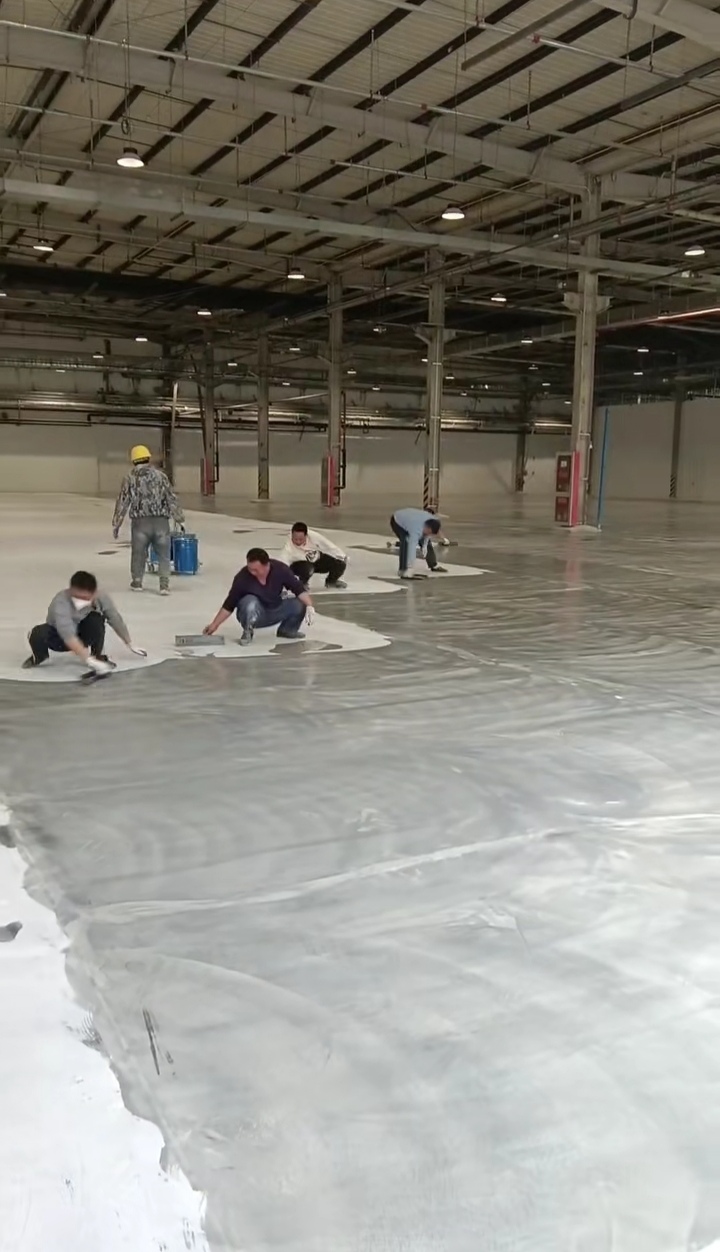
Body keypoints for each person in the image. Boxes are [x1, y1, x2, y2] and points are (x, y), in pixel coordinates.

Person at [22, 570, 146, 673]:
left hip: (83, 634)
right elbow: (67, 633)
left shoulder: (101, 597)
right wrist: (88, 660)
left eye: (85, 597)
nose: (81, 600)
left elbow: (115, 618)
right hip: (60, 639)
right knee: (38, 633)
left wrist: (129, 643)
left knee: (96, 619)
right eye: (77, 597)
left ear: (94, 593)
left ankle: (97, 655)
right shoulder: (61, 602)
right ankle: (39, 657)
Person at [112, 444, 184, 595]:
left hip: (140, 523)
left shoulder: (130, 478)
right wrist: (179, 518)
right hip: (161, 522)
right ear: (148, 458)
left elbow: (123, 501)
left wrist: (117, 523)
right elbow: (171, 498)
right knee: (163, 554)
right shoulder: (161, 476)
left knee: (138, 553)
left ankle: (137, 582)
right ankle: (164, 585)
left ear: (133, 460)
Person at [203, 547, 313, 647]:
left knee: (300, 603)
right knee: (249, 601)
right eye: (250, 568)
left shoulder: (280, 570)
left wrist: (309, 606)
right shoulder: (242, 577)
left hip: (275, 609)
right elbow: (229, 604)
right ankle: (248, 631)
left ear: (267, 565)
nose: (252, 572)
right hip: (253, 614)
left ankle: (287, 630)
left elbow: (298, 589)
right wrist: (214, 625)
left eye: (255, 570)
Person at [280, 522, 348, 589]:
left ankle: (331, 581)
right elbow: (283, 564)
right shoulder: (288, 546)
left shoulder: (313, 536)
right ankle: (302, 583)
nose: (298, 542)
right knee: (308, 568)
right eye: (295, 539)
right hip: (300, 566)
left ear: (306, 535)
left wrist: (342, 555)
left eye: (301, 539)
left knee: (340, 563)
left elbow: (328, 545)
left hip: (316, 559)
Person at [390, 507, 448, 579]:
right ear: (427, 528)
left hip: (411, 516)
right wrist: (410, 567)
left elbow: (428, 535)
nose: (428, 535)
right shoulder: (415, 529)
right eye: (429, 532)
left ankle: (433, 564)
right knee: (406, 542)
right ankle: (404, 571)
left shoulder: (434, 521)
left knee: (425, 539)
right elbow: (411, 548)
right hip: (397, 520)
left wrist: (425, 545)